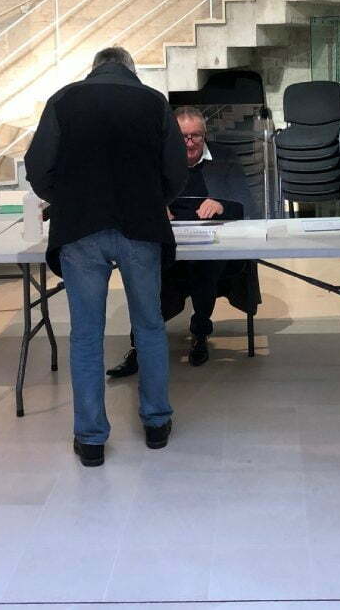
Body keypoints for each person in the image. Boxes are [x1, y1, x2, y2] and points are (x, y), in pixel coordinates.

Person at [23, 46, 188, 469]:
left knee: (85, 334)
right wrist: (153, 199)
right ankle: (156, 424)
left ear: (94, 69)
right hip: (141, 227)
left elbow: (37, 167)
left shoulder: (63, 99)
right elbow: (177, 170)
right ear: (130, 69)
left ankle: (91, 439)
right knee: (149, 326)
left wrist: (69, 198)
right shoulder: (153, 102)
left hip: (80, 229)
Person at [106, 106, 256, 376]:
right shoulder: (157, 159)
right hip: (168, 242)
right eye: (182, 137)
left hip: (212, 244)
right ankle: (139, 345)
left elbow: (246, 203)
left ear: (205, 135)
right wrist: (155, 208)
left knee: (205, 267)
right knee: (145, 271)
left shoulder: (224, 157)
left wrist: (221, 204)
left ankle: (200, 331)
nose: (189, 143)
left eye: (195, 136)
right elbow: (133, 203)